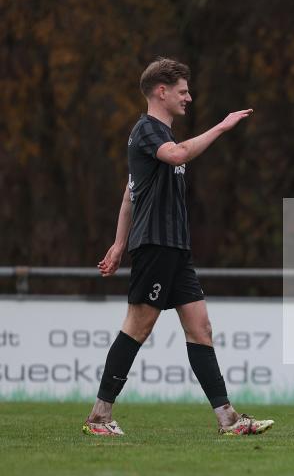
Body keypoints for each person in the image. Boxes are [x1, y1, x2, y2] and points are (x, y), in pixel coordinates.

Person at [84, 57, 273, 436]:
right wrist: (222, 126)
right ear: (162, 91)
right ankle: (99, 418)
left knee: (201, 329)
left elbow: (129, 194)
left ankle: (228, 420)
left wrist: (118, 244)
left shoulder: (161, 135)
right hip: (155, 244)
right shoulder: (148, 131)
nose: (188, 97)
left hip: (175, 248)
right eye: (183, 91)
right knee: (137, 327)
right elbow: (178, 155)